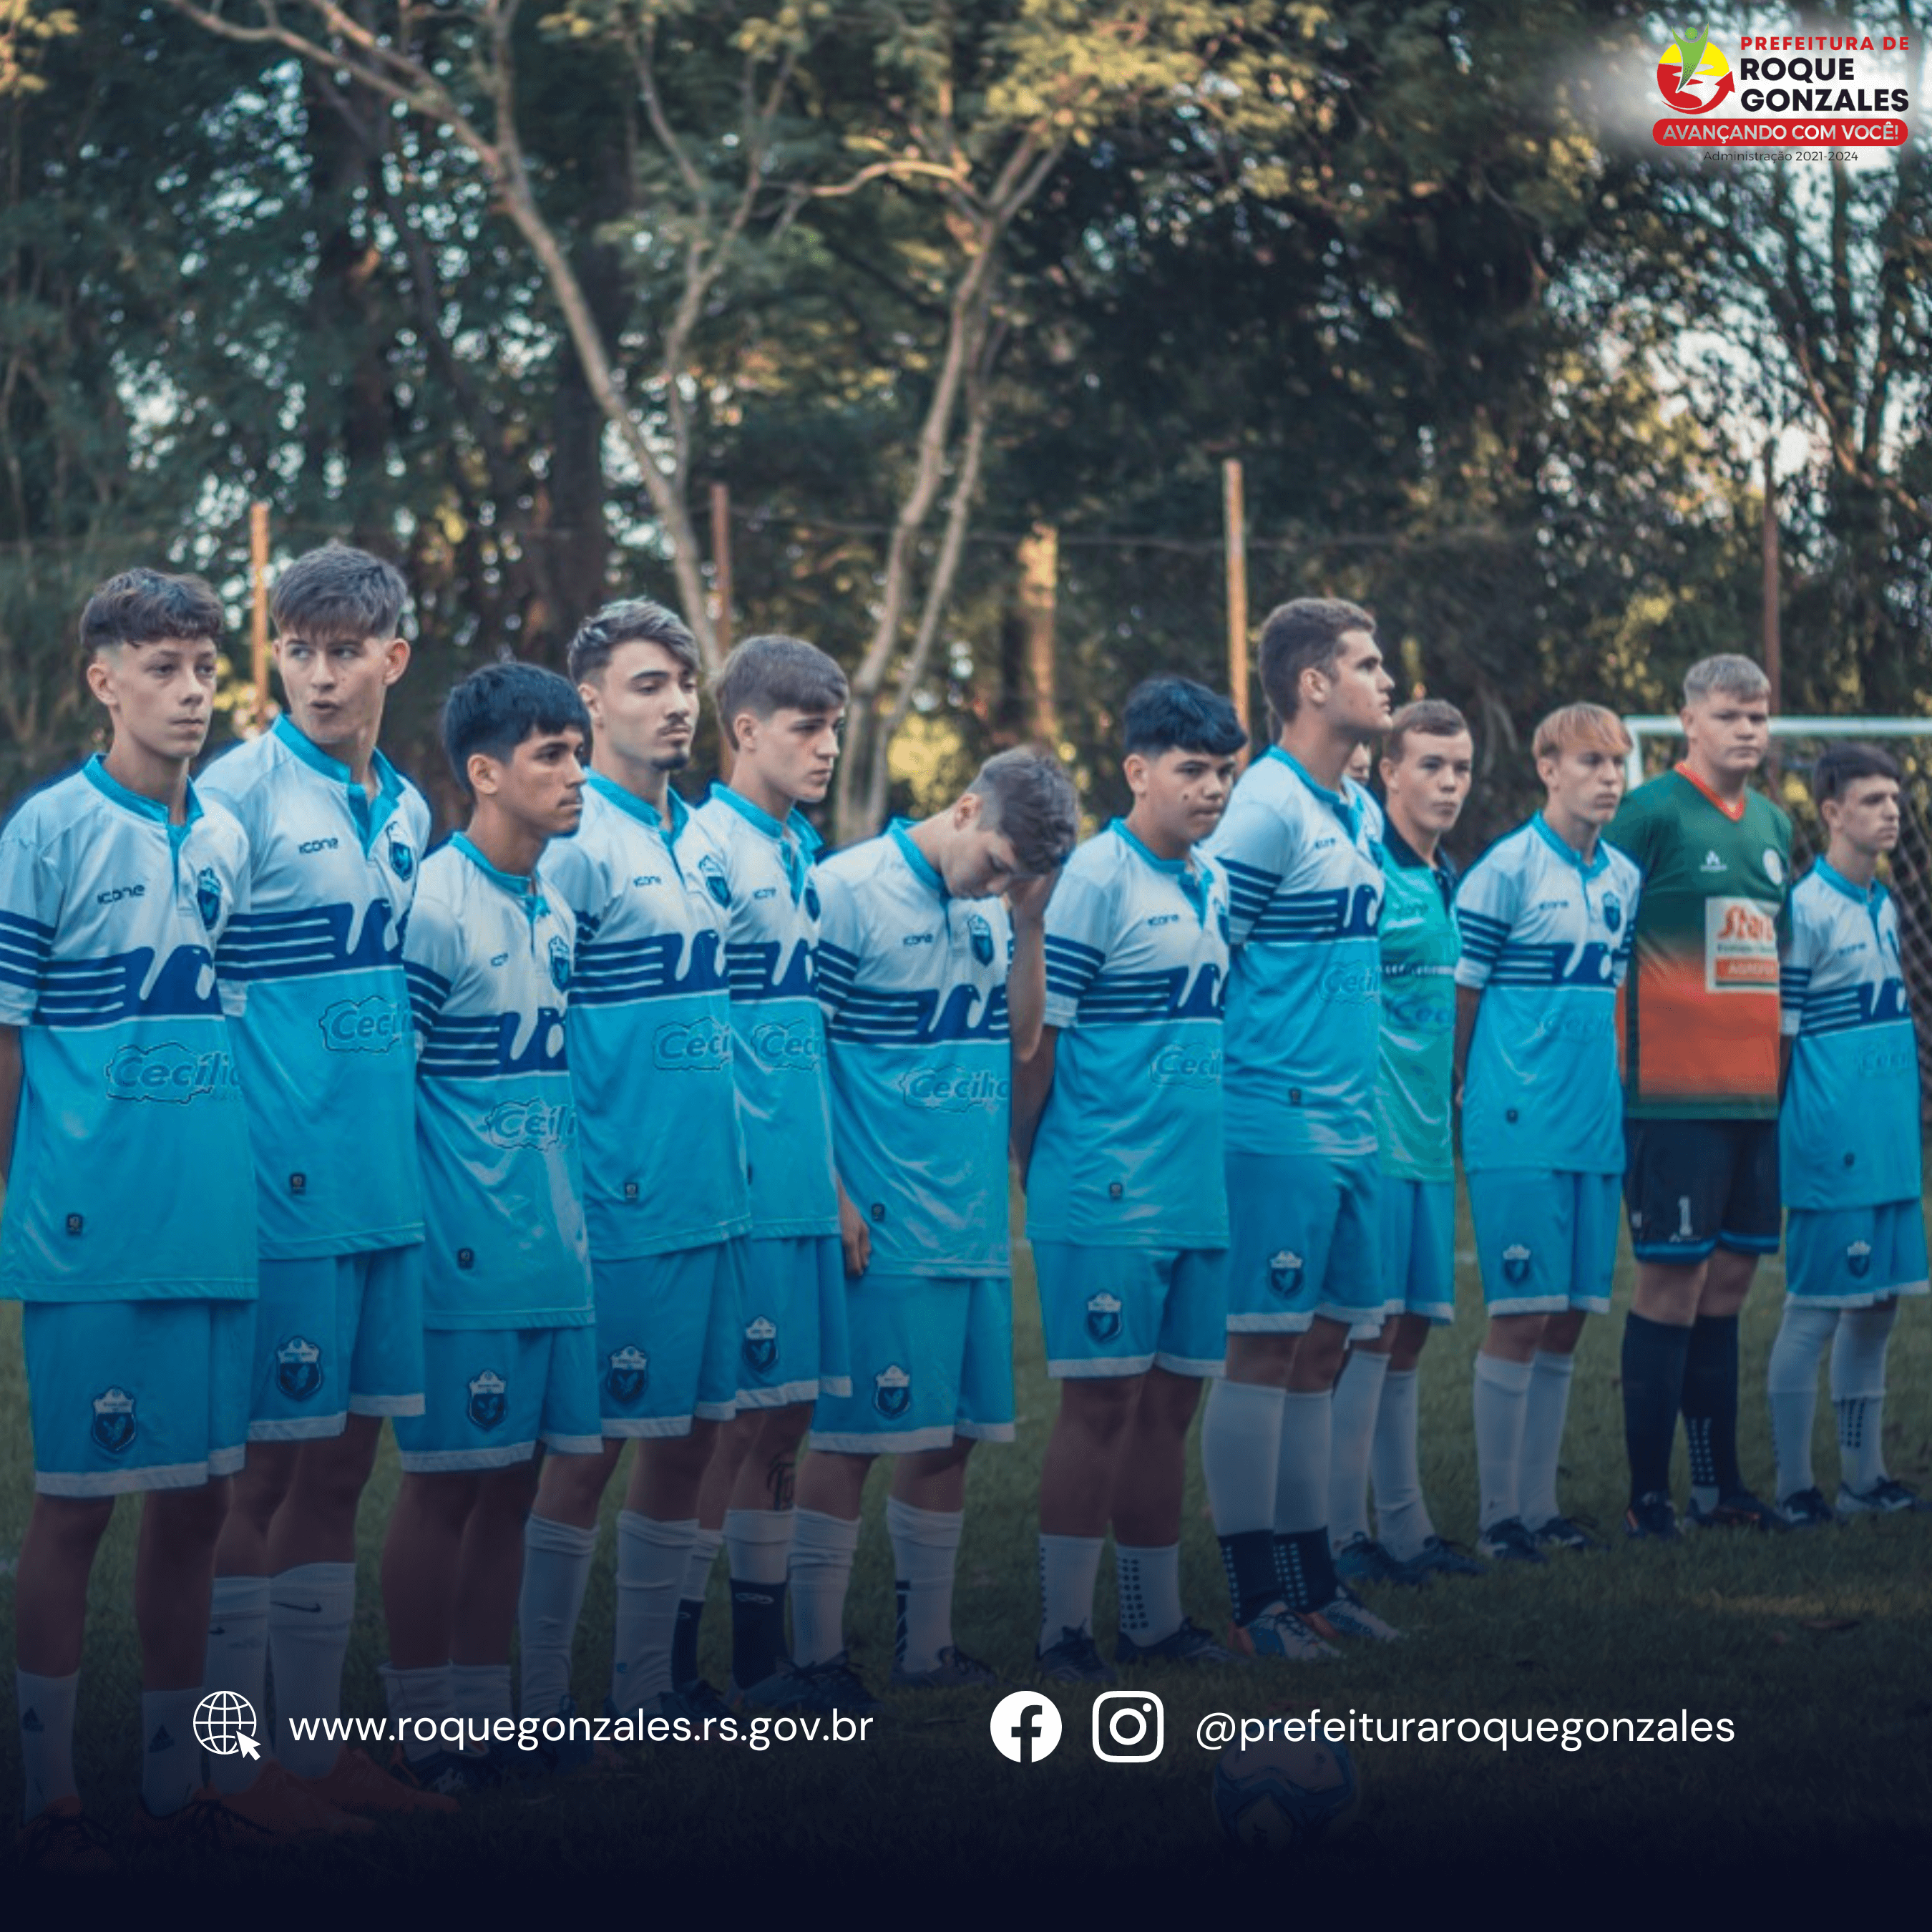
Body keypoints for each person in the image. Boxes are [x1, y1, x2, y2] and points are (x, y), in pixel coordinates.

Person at [4, 570, 258, 1864]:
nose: (193, 692)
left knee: (202, 1503)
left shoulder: (226, 839)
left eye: (205, 668)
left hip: (213, 1217)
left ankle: (180, 1782)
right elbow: (5, 1036)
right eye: (164, 668)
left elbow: (233, 1026)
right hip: (90, 1224)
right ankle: (44, 1795)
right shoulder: (46, 831)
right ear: (103, 681)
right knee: (77, 1504)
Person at [198, 542, 449, 1824]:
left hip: (380, 1181)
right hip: (274, 1185)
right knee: (257, 1481)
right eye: (298, 650)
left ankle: (311, 1749)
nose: (320, 674)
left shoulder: (407, 810)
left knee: (344, 1473)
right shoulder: (230, 796)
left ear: (393, 658)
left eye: (346, 651)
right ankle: (227, 1760)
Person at [513, 600, 752, 1737]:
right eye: (648, 685)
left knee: (695, 1440)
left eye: (685, 684)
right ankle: (543, 1703)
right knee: (586, 1452)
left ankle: (645, 1691)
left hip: (712, 1195)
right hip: (617, 1201)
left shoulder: (701, 836)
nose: (676, 705)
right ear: (591, 701)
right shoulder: (570, 843)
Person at [791, 749, 1075, 1699]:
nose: (996, 884)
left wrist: (1027, 922)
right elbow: (799, 1051)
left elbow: (1023, 1039)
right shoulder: (847, 889)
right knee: (848, 1439)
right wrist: (830, 1191)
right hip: (880, 1214)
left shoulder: (997, 906)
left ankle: (927, 1650)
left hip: (971, 1217)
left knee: (951, 1436)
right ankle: (817, 1656)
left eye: (1013, 877)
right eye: (995, 864)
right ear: (963, 809)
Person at [381, 662, 602, 1792]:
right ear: (484, 772)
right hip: (460, 1251)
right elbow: (394, 1091)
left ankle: (485, 1723)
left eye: (579, 752)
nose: (576, 775)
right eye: (551, 755)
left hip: (551, 1244)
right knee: (446, 1485)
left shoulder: (555, 905)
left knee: (515, 1481)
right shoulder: (430, 906)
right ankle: (421, 1733)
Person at [1014, 678, 1246, 1680]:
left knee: (1169, 1409)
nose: (1213, 789)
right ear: (1136, 771)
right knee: (1101, 1407)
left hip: (1195, 1187)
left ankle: (1154, 1625)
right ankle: (1062, 1633)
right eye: (1192, 770)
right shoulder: (1092, 879)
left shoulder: (1214, 879)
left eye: (1225, 772)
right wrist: (1030, 1162)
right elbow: (1035, 1043)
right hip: (1103, 1186)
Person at [1199, 600, 1401, 1659]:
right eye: (1369, 664)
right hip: (1272, 1119)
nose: (1388, 680)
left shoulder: (1358, 809)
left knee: (1325, 1348)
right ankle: (1254, 1605)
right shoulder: (1263, 807)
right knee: (1263, 1351)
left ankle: (1315, 1585)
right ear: (1313, 684)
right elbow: (1206, 958)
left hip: (1352, 1121)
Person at [688, 635, 852, 1707]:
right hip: (737, 1183)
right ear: (745, 731)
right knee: (730, 1420)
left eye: (835, 729)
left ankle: (763, 1656)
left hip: (800, 1178)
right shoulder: (705, 849)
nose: (827, 748)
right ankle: (670, 1660)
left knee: (788, 1411)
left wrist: (829, 1180)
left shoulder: (800, 852)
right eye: (807, 729)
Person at [1611, 655, 1792, 1538]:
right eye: (1728, 715)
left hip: (1753, 1102)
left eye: (1757, 716)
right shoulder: (1648, 813)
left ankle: (1720, 1490)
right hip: (1672, 1099)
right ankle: (1648, 1496)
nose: (1747, 730)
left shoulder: (1774, 823)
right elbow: (1599, 933)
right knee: (1671, 1286)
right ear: (1688, 722)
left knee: (1729, 1285)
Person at [1455, 705, 1640, 1561]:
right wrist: (1464, 1089)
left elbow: (1612, 1000)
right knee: (1522, 1315)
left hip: (1593, 1124)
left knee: (1568, 1318)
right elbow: (1463, 996)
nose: (1609, 777)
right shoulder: (1503, 870)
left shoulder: (1624, 878)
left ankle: (1540, 1508)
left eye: (1617, 763)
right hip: (1517, 1122)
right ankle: (1498, 1517)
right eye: (1591, 761)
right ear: (1548, 768)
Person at [1328, 699, 1483, 1584]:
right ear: (1388, 772)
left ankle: (1406, 1529)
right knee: (1368, 1333)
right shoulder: (1366, 869)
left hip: (1428, 1137)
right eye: (1430, 765)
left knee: (1413, 1331)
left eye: (1460, 768)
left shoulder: (1443, 873)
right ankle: (1341, 1537)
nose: (1449, 783)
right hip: (1372, 1136)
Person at [1768, 744, 1930, 1522]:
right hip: (1834, 1145)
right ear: (1831, 813)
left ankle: (1865, 1480)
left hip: (1891, 1144)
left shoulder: (1884, 904)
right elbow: (1779, 1040)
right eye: (1872, 800)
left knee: (1878, 1307)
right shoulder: (1804, 910)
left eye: (1894, 798)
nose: (1890, 812)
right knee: (1815, 1311)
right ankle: (1795, 1486)